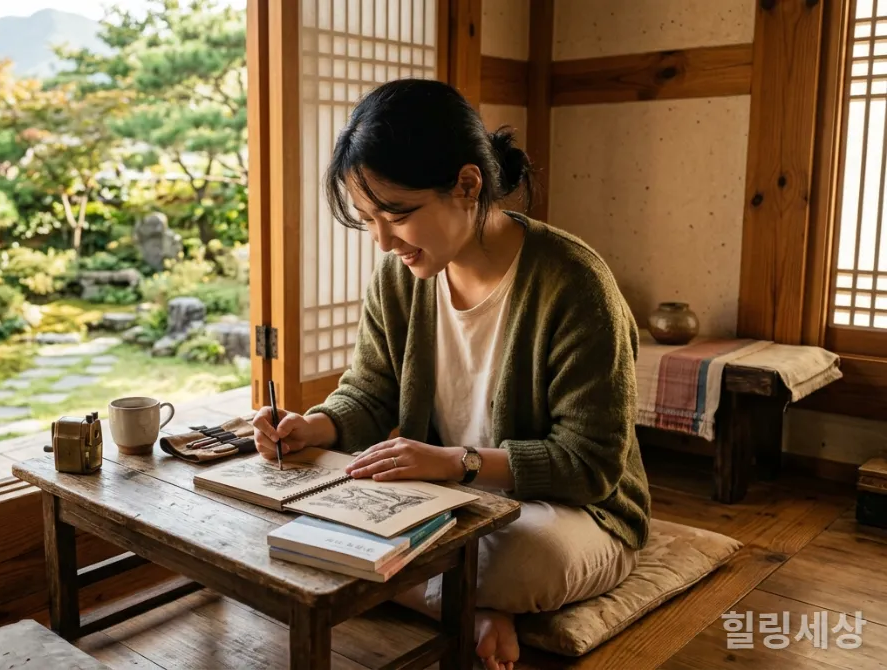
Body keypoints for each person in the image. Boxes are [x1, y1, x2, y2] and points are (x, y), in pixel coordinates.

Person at [250, 79, 652, 670]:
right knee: (302, 521)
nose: (384, 241)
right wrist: (315, 428)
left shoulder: (574, 284)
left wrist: (457, 462)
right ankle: (474, 604)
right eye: (367, 219)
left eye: (398, 214)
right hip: (443, 504)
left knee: (517, 557)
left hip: (568, 511)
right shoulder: (400, 278)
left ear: (468, 185)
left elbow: (590, 465)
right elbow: (370, 392)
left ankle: (463, 594)